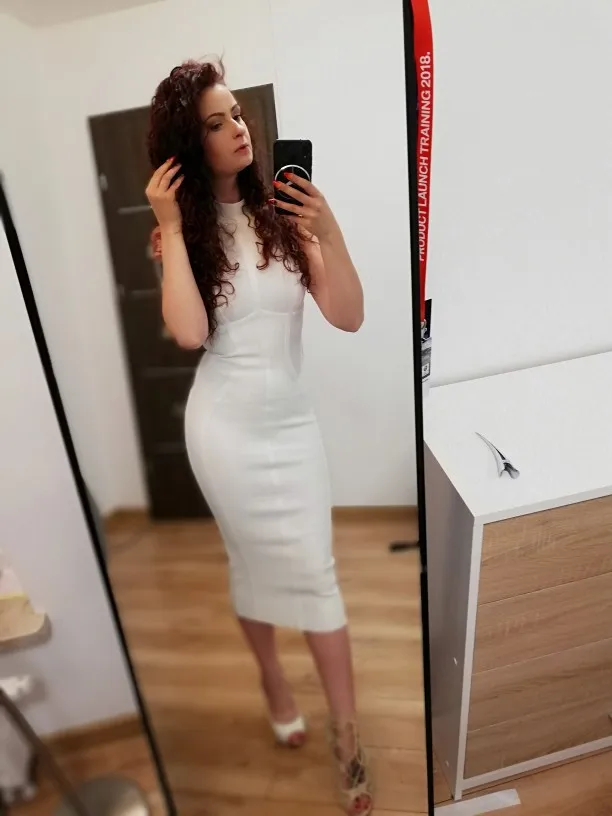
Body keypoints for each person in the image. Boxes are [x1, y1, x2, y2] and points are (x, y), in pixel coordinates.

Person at [146, 59, 370, 816]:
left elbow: (348, 315)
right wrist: (170, 229)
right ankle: (274, 681)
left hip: (292, 426)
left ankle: (347, 735)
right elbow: (188, 332)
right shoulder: (182, 236)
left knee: (317, 572)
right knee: (249, 562)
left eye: (237, 114)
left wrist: (328, 229)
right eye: (215, 123)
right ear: (189, 145)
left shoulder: (283, 213)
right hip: (224, 431)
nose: (238, 129)